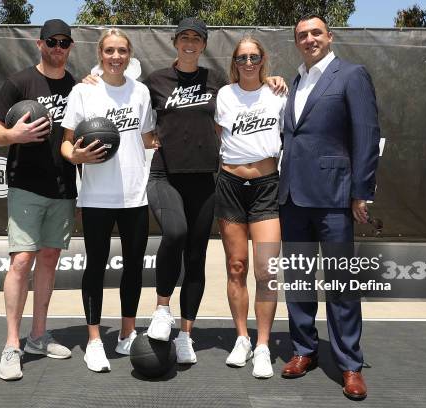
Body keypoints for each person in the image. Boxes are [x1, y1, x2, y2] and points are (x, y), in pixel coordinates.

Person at [141, 18, 287, 364]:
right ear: (175, 42)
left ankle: (191, 337)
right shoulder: (155, 81)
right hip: (173, 176)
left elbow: (242, 99)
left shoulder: (219, 85)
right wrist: (94, 78)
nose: (190, 44)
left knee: (203, 258)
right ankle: (163, 310)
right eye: (185, 38)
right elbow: (133, 109)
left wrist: (271, 80)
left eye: (197, 39)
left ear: (204, 45)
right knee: (177, 235)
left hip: (213, 181)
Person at [278, 14, 380, 399]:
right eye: (302, 35)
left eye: (315, 32)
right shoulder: (295, 81)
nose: (309, 39)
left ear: (329, 36)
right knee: (299, 280)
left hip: (335, 197)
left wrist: (361, 192)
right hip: (292, 197)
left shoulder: (352, 75)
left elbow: (368, 135)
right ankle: (304, 350)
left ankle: (350, 363)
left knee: (340, 283)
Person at [0, 19, 77, 381]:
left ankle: (38, 336)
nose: (58, 48)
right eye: (52, 42)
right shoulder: (20, 81)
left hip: (63, 186)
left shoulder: (77, 86)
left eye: (64, 43)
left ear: (69, 47)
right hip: (25, 184)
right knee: (22, 260)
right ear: (40, 44)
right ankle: (12, 344)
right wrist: (13, 133)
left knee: (50, 259)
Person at [60, 28, 157, 373]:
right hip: (97, 195)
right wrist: (76, 157)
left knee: (133, 266)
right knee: (96, 266)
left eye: (122, 51)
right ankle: (95, 341)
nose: (116, 56)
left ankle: (127, 333)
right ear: (100, 55)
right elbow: (66, 143)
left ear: (129, 55)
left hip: (135, 194)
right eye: (110, 51)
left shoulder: (141, 92)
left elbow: (147, 138)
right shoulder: (83, 91)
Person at [214, 36, 285, 378]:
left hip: (266, 187)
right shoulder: (224, 95)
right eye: (241, 57)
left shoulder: (277, 93)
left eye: (253, 56)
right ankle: (242, 338)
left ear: (262, 59)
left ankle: (263, 345)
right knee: (236, 267)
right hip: (229, 186)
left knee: (266, 270)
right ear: (235, 62)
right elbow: (217, 135)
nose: (247, 62)